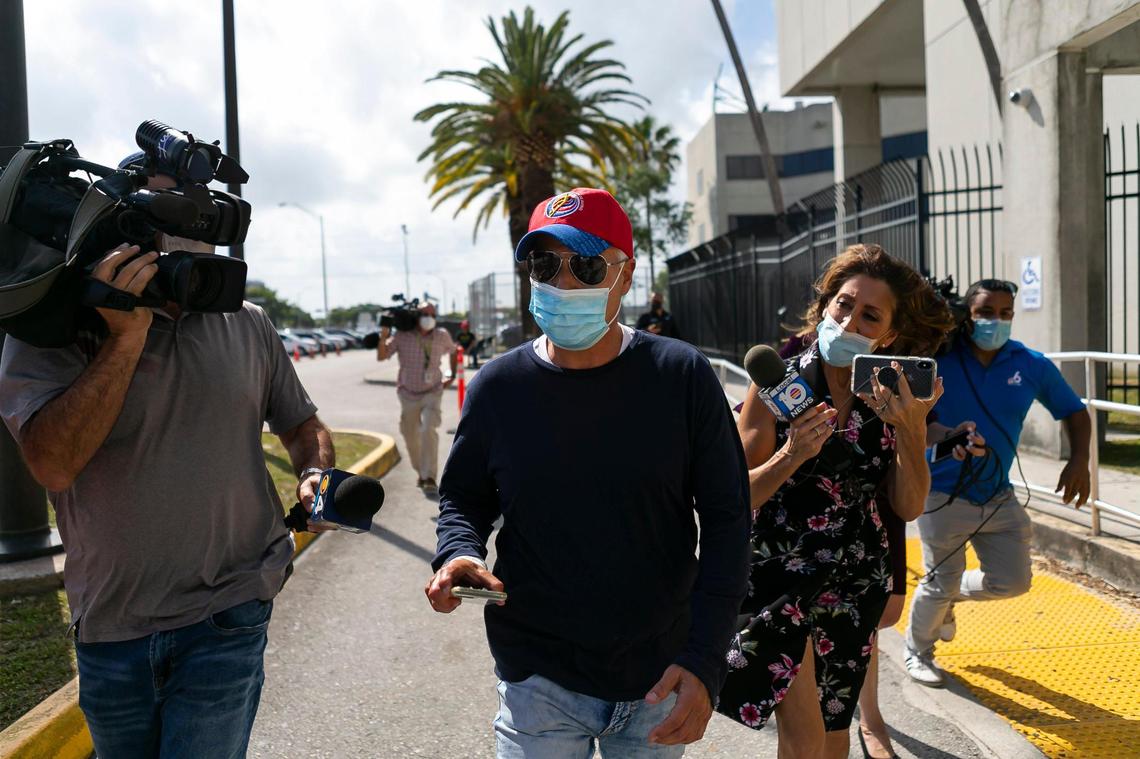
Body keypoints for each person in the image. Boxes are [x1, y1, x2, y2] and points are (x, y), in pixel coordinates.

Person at [0, 171, 334, 758]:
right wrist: (123, 339)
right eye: (169, 216)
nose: (187, 237)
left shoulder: (248, 323)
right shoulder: (52, 329)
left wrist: (316, 474)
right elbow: (53, 464)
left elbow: (302, 425)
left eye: (201, 219)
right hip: (111, 629)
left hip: (227, 615)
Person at [424, 187, 751, 758]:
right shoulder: (498, 388)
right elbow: (464, 498)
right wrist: (459, 551)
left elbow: (728, 523)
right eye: (545, 264)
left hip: (659, 679)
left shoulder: (682, 376)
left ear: (624, 277)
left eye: (587, 265)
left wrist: (704, 663)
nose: (563, 283)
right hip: (538, 677)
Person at [717, 244, 955, 759]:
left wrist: (911, 430)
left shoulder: (889, 398)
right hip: (778, 579)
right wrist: (792, 453)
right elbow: (736, 495)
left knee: (832, 739)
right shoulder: (778, 384)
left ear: (888, 335)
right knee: (803, 739)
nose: (849, 321)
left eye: (869, 315)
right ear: (825, 305)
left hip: (853, 583)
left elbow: (909, 506)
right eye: (843, 304)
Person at [903, 278, 1091, 687]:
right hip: (940, 492)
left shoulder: (1030, 363)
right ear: (966, 316)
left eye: (1005, 313)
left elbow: (1075, 412)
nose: (996, 321)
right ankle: (917, 652)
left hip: (997, 494)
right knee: (939, 579)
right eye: (986, 312)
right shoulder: (938, 358)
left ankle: (947, 595)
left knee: (1013, 582)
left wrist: (1079, 461)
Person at [375, 302, 457, 493]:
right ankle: (421, 471)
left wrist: (451, 374)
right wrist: (383, 337)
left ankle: (429, 476)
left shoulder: (442, 335)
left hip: (433, 391)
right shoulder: (402, 336)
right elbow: (382, 356)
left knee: (429, 429)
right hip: (408, 393)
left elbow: (453, 351)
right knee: (410, 434)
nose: (429, 317)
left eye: (433, 314)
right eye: (424, 313)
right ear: (415, 315)